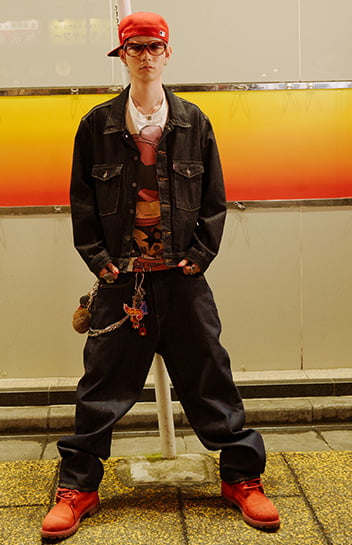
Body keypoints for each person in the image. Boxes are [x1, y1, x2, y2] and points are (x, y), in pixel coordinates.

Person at [41, 11, 280, 540]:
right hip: (122, 280)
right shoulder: (97, 125)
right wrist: (97, 259)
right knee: (101, 386)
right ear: (122, 55)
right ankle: (78, 487)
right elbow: (82, 201)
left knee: (211, 377)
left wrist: (201, 254)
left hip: (182, 278)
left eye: (155, 47)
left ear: (168, 53)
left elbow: (214, 199)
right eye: (136, 47)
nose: (146, 56)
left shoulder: (194, 122)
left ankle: (242, 478)